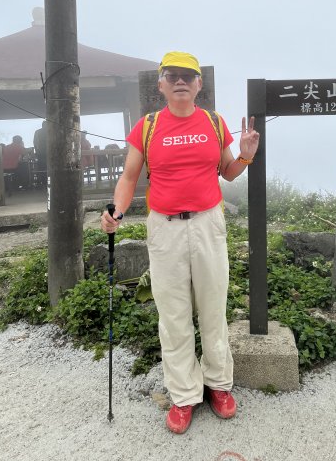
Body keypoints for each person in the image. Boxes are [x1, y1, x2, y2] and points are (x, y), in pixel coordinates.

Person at [101, 51, 259, 434]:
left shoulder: (213, 122)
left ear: (199, 83)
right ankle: (184, 395)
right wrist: (117, 212)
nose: (180, 81)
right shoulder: (148, 127)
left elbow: (229, 172)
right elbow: (128, 177)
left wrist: (245, 156)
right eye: (172, 75)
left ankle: (218, 385)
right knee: (172, 315)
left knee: (212, 308)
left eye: (188, 75)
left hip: (208, 224)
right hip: (165, 227)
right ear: (161, 84)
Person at [33, 121, 47, 186]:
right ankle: (46, 181)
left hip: (40, 153)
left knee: (42, 168)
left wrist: (37, 151)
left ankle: (43, 182)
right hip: (47, 153)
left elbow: (35, 143)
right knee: (47, 167)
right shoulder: (51, 131)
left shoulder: (37, 132)